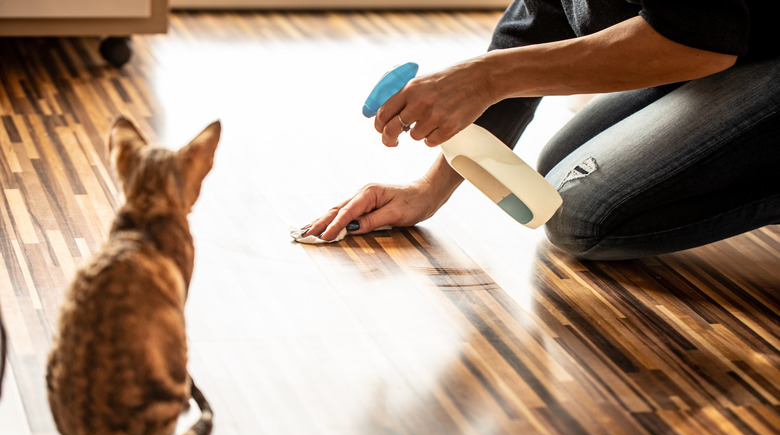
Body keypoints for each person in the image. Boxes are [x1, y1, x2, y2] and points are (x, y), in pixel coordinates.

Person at [303, 0, 779, 260]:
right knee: (553, 182)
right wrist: (427, 192)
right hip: (744, 52)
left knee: (585, 217)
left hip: (741, 56)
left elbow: (701, 39)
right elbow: (533, 29)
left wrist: (487, 76)